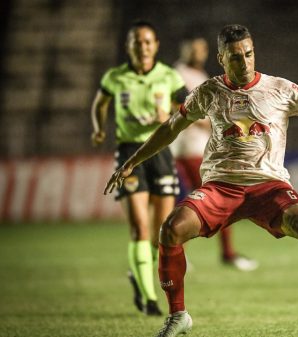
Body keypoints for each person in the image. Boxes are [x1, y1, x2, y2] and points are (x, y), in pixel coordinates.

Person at [104, 24, 298, 337]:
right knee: (171, 230)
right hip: (220, 187)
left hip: (269, 186)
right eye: (236, 57)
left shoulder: (280, 89)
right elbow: (171, 127)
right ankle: (178, 316)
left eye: (249, 54)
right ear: (222, 59)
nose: (245, 62)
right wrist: (132, 161)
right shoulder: (209, 91)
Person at [91, 20, 188, 316]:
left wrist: (169, 113)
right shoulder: (115, 77)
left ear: (156, 45)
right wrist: (98, 129)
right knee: (139, 228)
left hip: (159, 152)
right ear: (129, 46)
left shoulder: (169, 76)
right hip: (129, 153)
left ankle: (139, 274)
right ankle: (149, 299)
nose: (143, 47)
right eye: (137, 42)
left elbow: (191, 109)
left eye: (148, 42)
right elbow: (100, 103)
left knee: (163, 232)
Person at [171, 37, 258, 271]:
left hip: (202, 148)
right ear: (185, 48)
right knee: (216, 200)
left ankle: (190, 252)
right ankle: (220, 254)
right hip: (189, 148)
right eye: (194, 47)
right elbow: (178, 107)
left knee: (201, 201)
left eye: (202, 48)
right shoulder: (179, 74)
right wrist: (210, 123)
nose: (198, 52)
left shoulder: (198, 75)